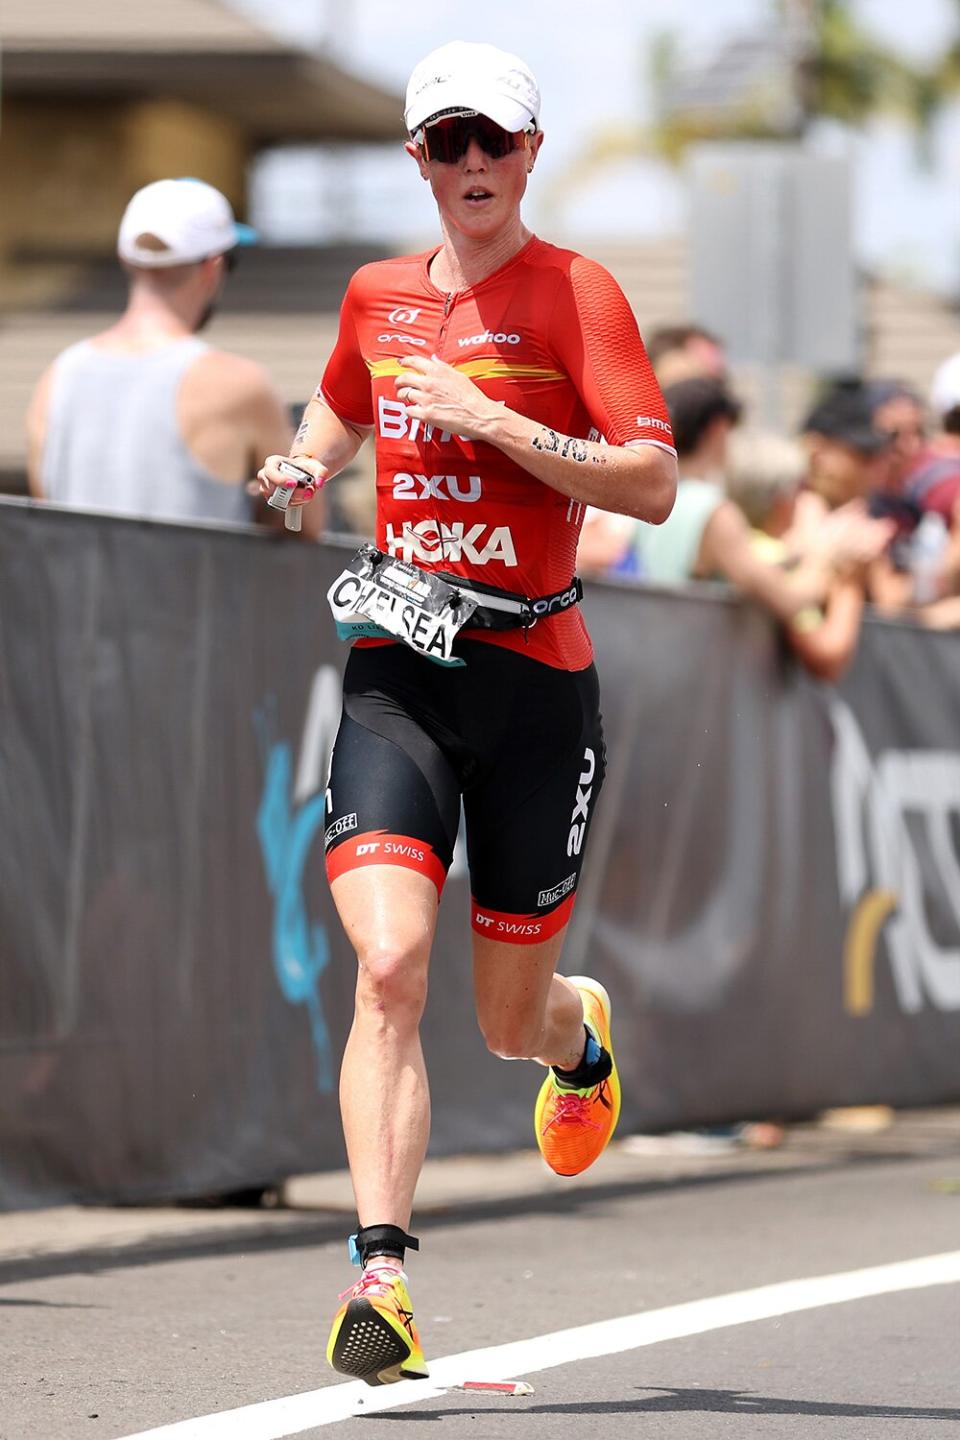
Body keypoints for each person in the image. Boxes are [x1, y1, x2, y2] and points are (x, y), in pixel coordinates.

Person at [257, 40, 677, 1387]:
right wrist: (300, 467)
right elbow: (338, 409)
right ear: (417, 159)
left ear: (533, 155)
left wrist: (498, 423)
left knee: (506, 1022)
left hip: (536, 686)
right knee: (387, 968)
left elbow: (653, 485)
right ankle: (381, 1276)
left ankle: (578, 1033)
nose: (474, 166)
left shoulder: (575, 294)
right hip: (396, 666)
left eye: (496, 142)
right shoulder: (377, 293)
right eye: (449, 144)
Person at [26, 178, 312, 533]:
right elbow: (303, 522)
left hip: (71, 588)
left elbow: (46, 506)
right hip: (189, 589)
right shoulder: (237, 383)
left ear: (125, 259)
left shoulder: (58, 375)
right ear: (213, 266)